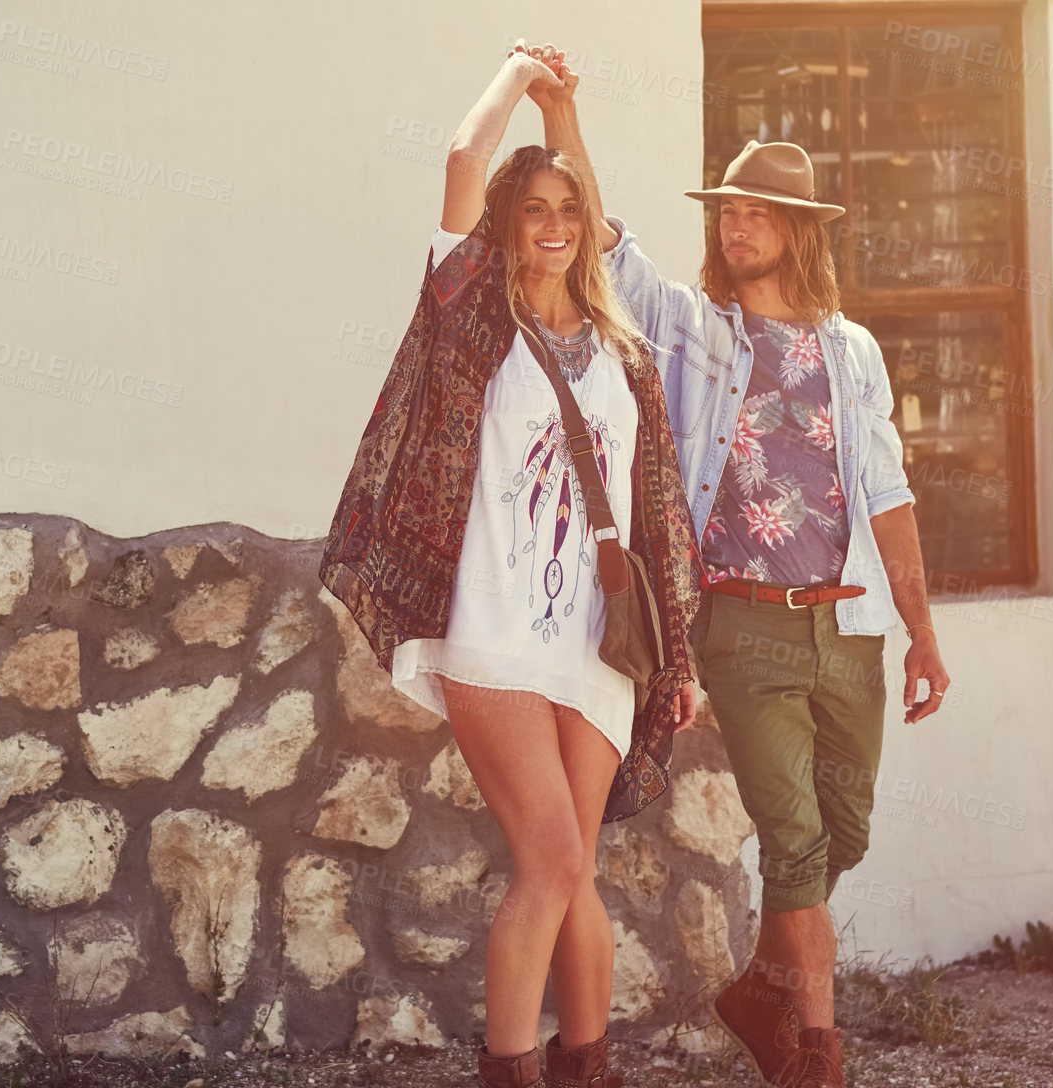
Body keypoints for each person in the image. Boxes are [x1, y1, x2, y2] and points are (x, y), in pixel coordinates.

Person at [518, 42, 952, 1088]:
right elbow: (607, 245)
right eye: (726, 208)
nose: (735, 221)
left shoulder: (852, 352)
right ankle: (815, 1053)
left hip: (846, 625)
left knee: (840, 832)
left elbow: (886, 495)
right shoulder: (691, 329)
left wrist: (923, 629)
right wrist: (563, 116)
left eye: (755, 210)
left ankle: (763, 985)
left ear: (796, 230)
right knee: (795, 843)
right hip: (743, 625)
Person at [319, 49, 705, 1088]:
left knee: (580, 874)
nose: (552, 224)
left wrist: (569, 113)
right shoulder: (473, 319)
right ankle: (511, 1069)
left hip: (600, 638)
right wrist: (517, 74)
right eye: (531, 207)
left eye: (567, 210)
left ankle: (590, 1065)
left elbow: (655, 507)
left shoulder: (622, 344)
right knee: (551, 865)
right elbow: (460, 152)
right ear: (503, 221)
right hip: (494, 632)